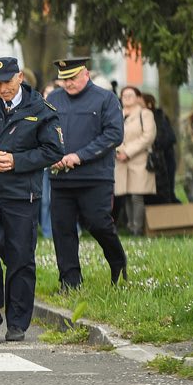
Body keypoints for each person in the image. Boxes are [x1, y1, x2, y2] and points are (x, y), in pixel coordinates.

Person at [0, 57, 62, 342]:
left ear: (19, 77)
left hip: (22, 193)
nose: (2, 88)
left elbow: (53, 150)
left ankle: (17, 321)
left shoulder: (40, 108)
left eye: (6, 82)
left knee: (20, 257)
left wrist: (18, 161)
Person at [46, 58, 128, 289]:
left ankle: (117, 261)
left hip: (95, 176)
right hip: (60, 177)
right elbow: (45, 131)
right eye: (64, 79)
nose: (68, 83)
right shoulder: (52, 99)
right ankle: (70, 282)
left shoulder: (105, 98)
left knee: (98, 223)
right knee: (62, 230)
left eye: (73, 78)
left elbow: (114, 135)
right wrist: (53, 155)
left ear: (86, 74)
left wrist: (79, 155)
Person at [113, 86, 157, 235]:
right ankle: (130, 226)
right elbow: (110, 133)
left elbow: (148, 136)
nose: (127, 97)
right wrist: (118, 151)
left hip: (139, 160)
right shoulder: (116, 114)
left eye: (130, 95)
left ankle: (137, 229)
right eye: (124, 95)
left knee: (137, 195)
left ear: (138, 97)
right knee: (125, 195)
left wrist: (128, 152)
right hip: (120, 160)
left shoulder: (145, 114)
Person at [143, 92, 178, 204]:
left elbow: (168, 138)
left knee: (164, 194)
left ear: (149, 104)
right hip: (152, 162)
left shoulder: (159, 117)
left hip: (164, 162)